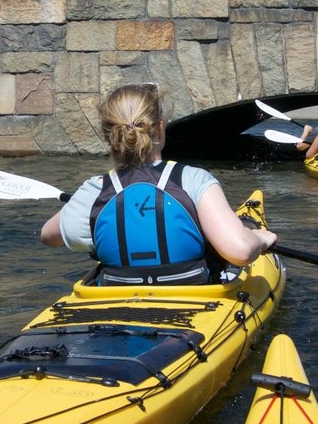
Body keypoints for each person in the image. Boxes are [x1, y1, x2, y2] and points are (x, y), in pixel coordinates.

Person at [40, 83, 277, 286]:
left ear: (108, 136)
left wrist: (82, 206)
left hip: (117, 299)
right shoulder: (193, 180)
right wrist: (260, 238)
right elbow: (242, 251)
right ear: (161, 128)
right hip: (193, 299)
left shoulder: (94, 191)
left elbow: (48, 236)